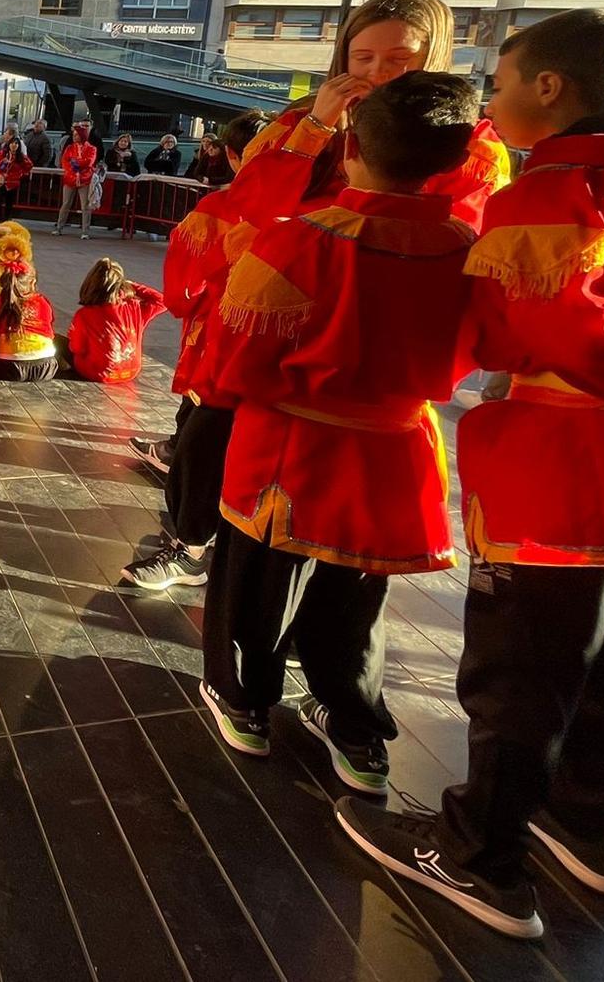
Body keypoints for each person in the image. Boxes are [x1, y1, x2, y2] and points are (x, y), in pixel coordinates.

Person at [337, 12, 604, 940]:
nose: (490, 99)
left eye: (502, 81)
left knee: (523, 674)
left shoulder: (561, 187)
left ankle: (481, 856)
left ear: (550, 89)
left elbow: (560, 328)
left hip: (572, 469)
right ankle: (584, 825)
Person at [201, 74, 479, 814]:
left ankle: (246, 703)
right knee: (358, 596)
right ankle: (355, 730)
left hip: (292, 443)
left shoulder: (301, 237)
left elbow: (238, 364)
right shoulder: (469, 247)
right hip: (395, 445)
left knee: (258, 582)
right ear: (452, 165)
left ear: (351, 145)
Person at [120, 108, 268, 592]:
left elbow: (181, 297)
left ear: (228, 155)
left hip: (225, 349)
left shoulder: (217, 213)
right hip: (297, 367)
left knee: (203, 443)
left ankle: (193, 549)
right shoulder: (327, 214)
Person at [234, 0, 510, 229]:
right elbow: (248, 212)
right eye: (363, 57)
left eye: (400, 57)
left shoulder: (467, 141)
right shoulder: (300, 120)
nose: (378, 71)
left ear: (433, 55)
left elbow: (462, 236)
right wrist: (314, 129)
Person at [63, 257, 163, 383]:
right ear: (120, 285)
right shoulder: (134, 307)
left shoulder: (84, 314)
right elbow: (161, 301)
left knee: (58, 342)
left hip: (98, 373)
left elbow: (76, 348)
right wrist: (132, 286)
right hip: (130, 372)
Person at [0, 258, 56, 382]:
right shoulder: (42, 301)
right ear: (32, 282)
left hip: (9, 368)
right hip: (45, 367)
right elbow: (50, 330)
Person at [54, 121, 99, 237]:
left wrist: (77, 163)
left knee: (85, 205)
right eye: (74, 135)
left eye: (76, 135)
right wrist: (72, 168)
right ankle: (59, 227)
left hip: (85, 179)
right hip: (70, 179)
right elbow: (64, 161)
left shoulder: (92, 148)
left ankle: (85, 231)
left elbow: (89, 161)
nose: (74, 137)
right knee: (66, 203)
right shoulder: (69, 147)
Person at [0, 135, 30, 222]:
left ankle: (7, 218)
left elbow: (29, 166)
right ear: (9, 144)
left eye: (16, 143)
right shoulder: (2, 153)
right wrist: (2, 163)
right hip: (0, 181)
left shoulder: (21, 157)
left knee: (9, 202)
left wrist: (20, 173)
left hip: (12, 182)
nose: (14, 145)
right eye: (12, 143)